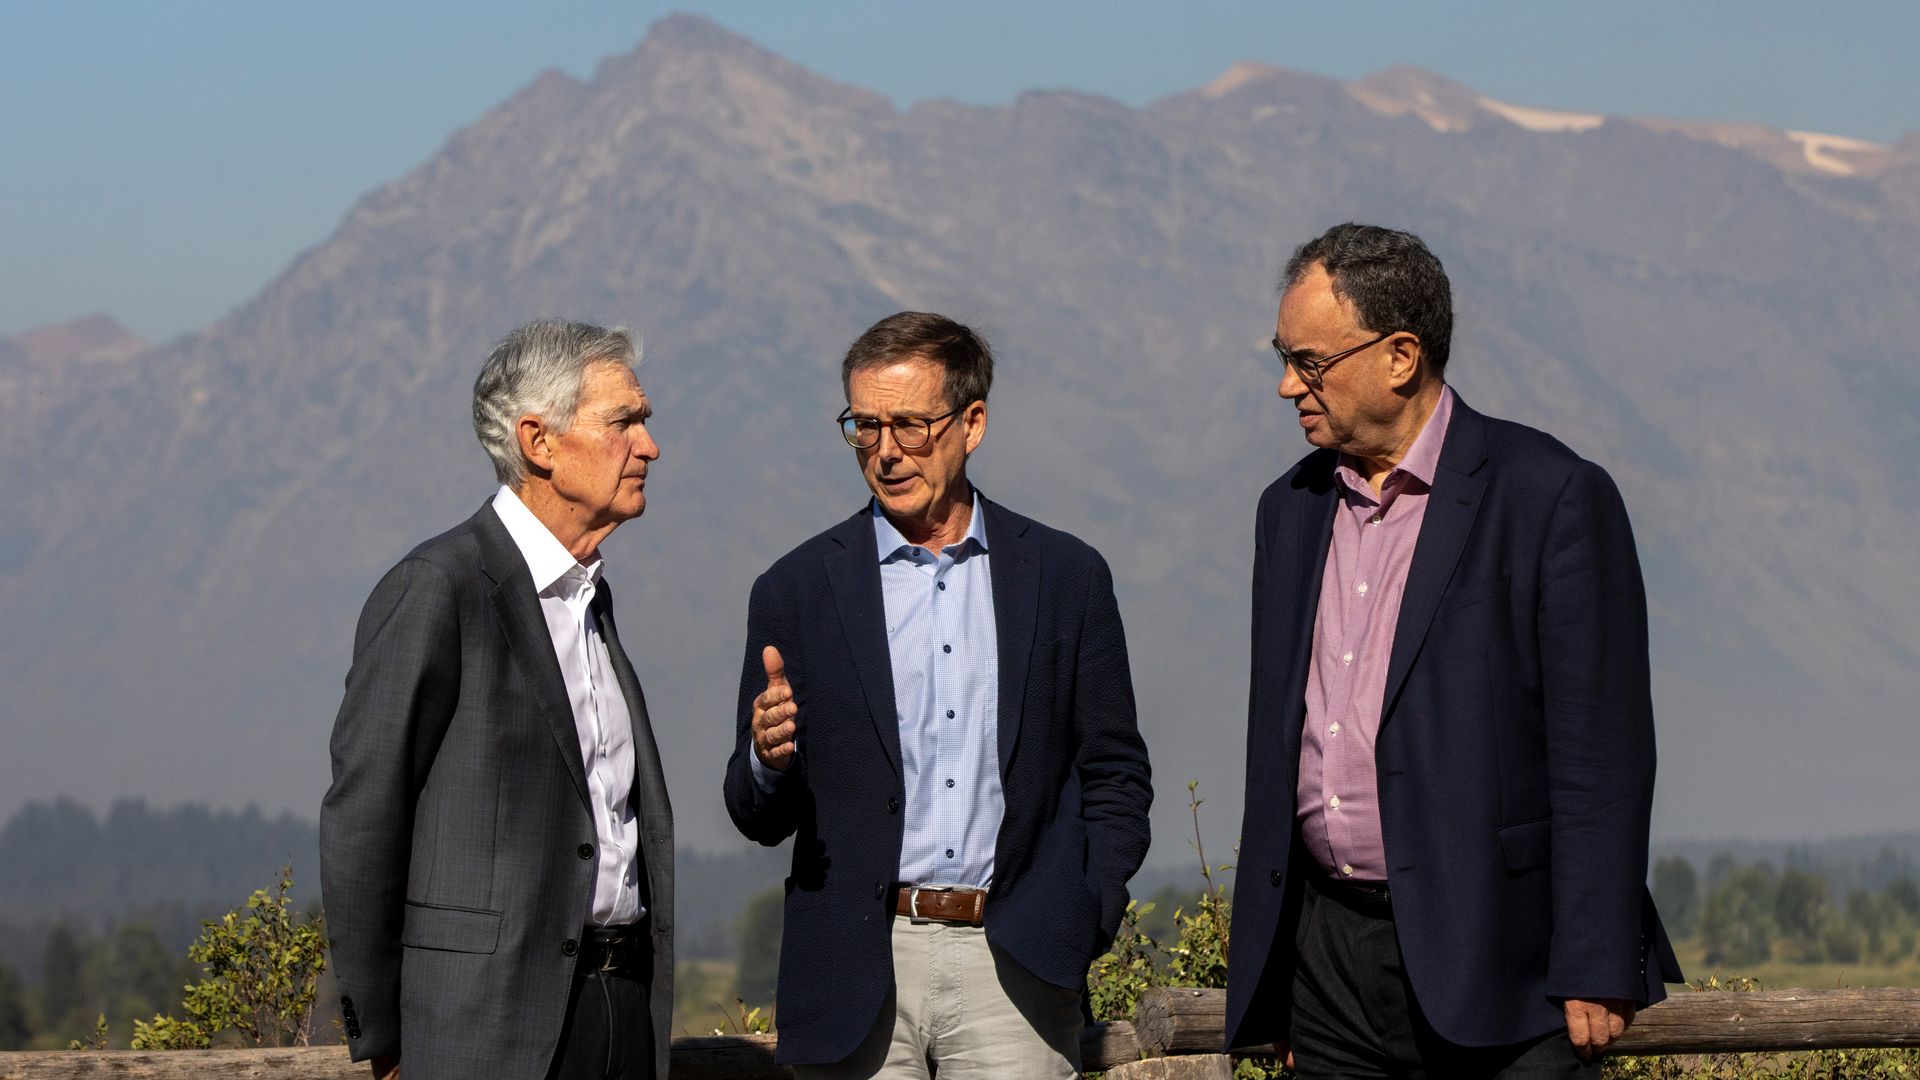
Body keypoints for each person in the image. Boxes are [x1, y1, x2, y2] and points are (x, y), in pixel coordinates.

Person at [1223, 224, 1681, 1078]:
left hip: (1505, 965)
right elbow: (1283, 739)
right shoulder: (1286, 510)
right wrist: (1278, 967)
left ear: (1401, 355)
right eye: (1284, 357)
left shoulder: (1548, 496)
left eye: (1311, 362)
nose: (1289, 385)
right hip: (1327, 970)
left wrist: (1595, 954)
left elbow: (1602, 751)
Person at [723, 311, 1153, 1079]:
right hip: (854, 970)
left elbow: (1114, 770)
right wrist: (766, 756)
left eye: (911, 426)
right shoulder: (796, 590)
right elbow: (757, 814)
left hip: (1016, 963)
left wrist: (1088, 909)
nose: (885, 452)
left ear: (973, 422)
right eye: (864, 426)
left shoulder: (1065, 576)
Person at [320, 320, 674, 1080]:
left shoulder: (590, 598)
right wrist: (381, 1040)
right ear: (538, 442)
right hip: (483, 1032)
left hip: (618, 1014)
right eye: (624, 422)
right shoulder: (439, 587)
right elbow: (364, 816)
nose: (648, 446)